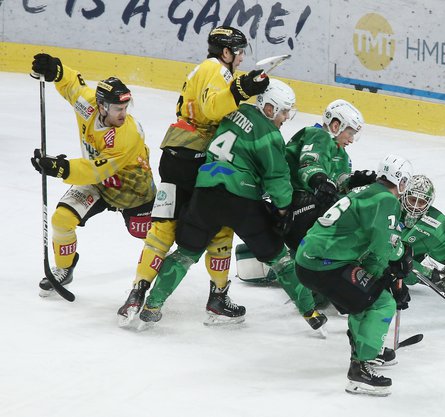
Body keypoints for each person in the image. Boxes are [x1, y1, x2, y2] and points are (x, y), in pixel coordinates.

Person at [116, 26, 269, 326]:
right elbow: (213, 108)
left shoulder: (205, 69)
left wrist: (246, 85)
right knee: (221, 224)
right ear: (225, 52)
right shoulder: (217, 71)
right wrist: (243, 89)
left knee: (162, 229)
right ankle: (218, 297)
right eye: (237, 52)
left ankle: (137, 292)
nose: (240, 58)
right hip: (199, 161)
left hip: (174, 154)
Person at [138, 79, 297, 328]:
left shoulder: (233, 110)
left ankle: (151, 303)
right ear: (269, 108)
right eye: (284, 110)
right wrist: (284, 206)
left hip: (200, 183)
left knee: (185, 251)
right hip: (239, 197)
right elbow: (276, 176)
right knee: (267, 252)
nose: (286, 116)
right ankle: (310, 313)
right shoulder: (269, 134)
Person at [237, 99, 372, 330]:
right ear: (336, 124)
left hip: (306, 207)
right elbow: (309, 165)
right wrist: (320, 181)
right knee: (330, 217)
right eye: (349, 132)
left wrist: (356, 180)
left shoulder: (342, 154)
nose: (351, 139)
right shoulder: (316, 135)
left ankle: (320, 273)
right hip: (290, 205)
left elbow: (336, 183)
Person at [29, 54, 156, 296]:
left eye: (126, 107)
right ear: (102, 106)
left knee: (152, 238)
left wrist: (60, 168)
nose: (123, 114)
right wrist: (56, 68)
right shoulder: (87, 106)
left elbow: (95, 169)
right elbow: (71, 85)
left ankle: (164, 266)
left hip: (134, 192)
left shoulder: (127, 134)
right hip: (98, 186)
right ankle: (64, 269)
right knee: (61, 219)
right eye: (118, 108)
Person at [295, 154, 414, 397]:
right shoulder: (387, 201)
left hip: (314, 259)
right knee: (381, 303)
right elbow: (384, 246)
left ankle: (366, 347)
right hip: (323, 264)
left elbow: (375, 249)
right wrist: (401, 254)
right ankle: (361, 370)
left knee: (366, 298)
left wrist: (385, 273)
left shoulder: (367, 192)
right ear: (399, 180)